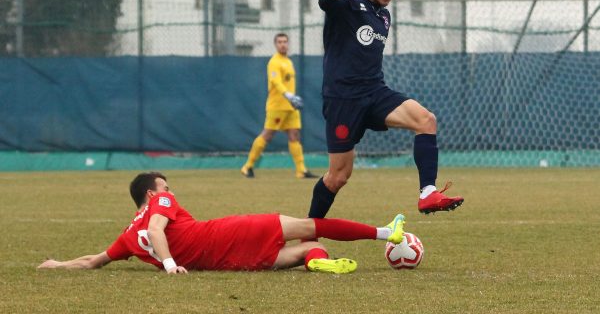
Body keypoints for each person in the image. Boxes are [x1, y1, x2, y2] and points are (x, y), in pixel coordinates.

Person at [308, 0, 464, 220]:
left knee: (426, 120)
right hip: (343, 98)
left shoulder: (384, 16)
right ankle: (308, 233)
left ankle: (427, 192)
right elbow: (325, 1)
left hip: (374, 92)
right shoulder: (349, 1)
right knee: (338, 177)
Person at [38, 172, 406, 274]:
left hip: (228, 262)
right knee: (314, 227)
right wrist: (168, 265)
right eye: (165, 187)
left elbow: (94, 260)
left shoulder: (126, 239)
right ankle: (388, 231)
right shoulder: (160, 203)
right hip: (233, 231)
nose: (170, 191)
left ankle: (317, 262)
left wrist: (58, 265)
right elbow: (156, 230)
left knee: (308, 250)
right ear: (152, 194)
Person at [241, 32, 318, 179]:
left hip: (291, 107)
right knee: (268, 135)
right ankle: (247, 166)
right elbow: (276, 82)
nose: (283, 44)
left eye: (285, 41)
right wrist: (288, 95)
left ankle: (301, 170)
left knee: (294, 135)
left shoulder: (288, 62)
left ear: (288, 44)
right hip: (277, 106)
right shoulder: (274, 62)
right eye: (280, 42)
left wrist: (292, 98)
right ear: (276, 45)